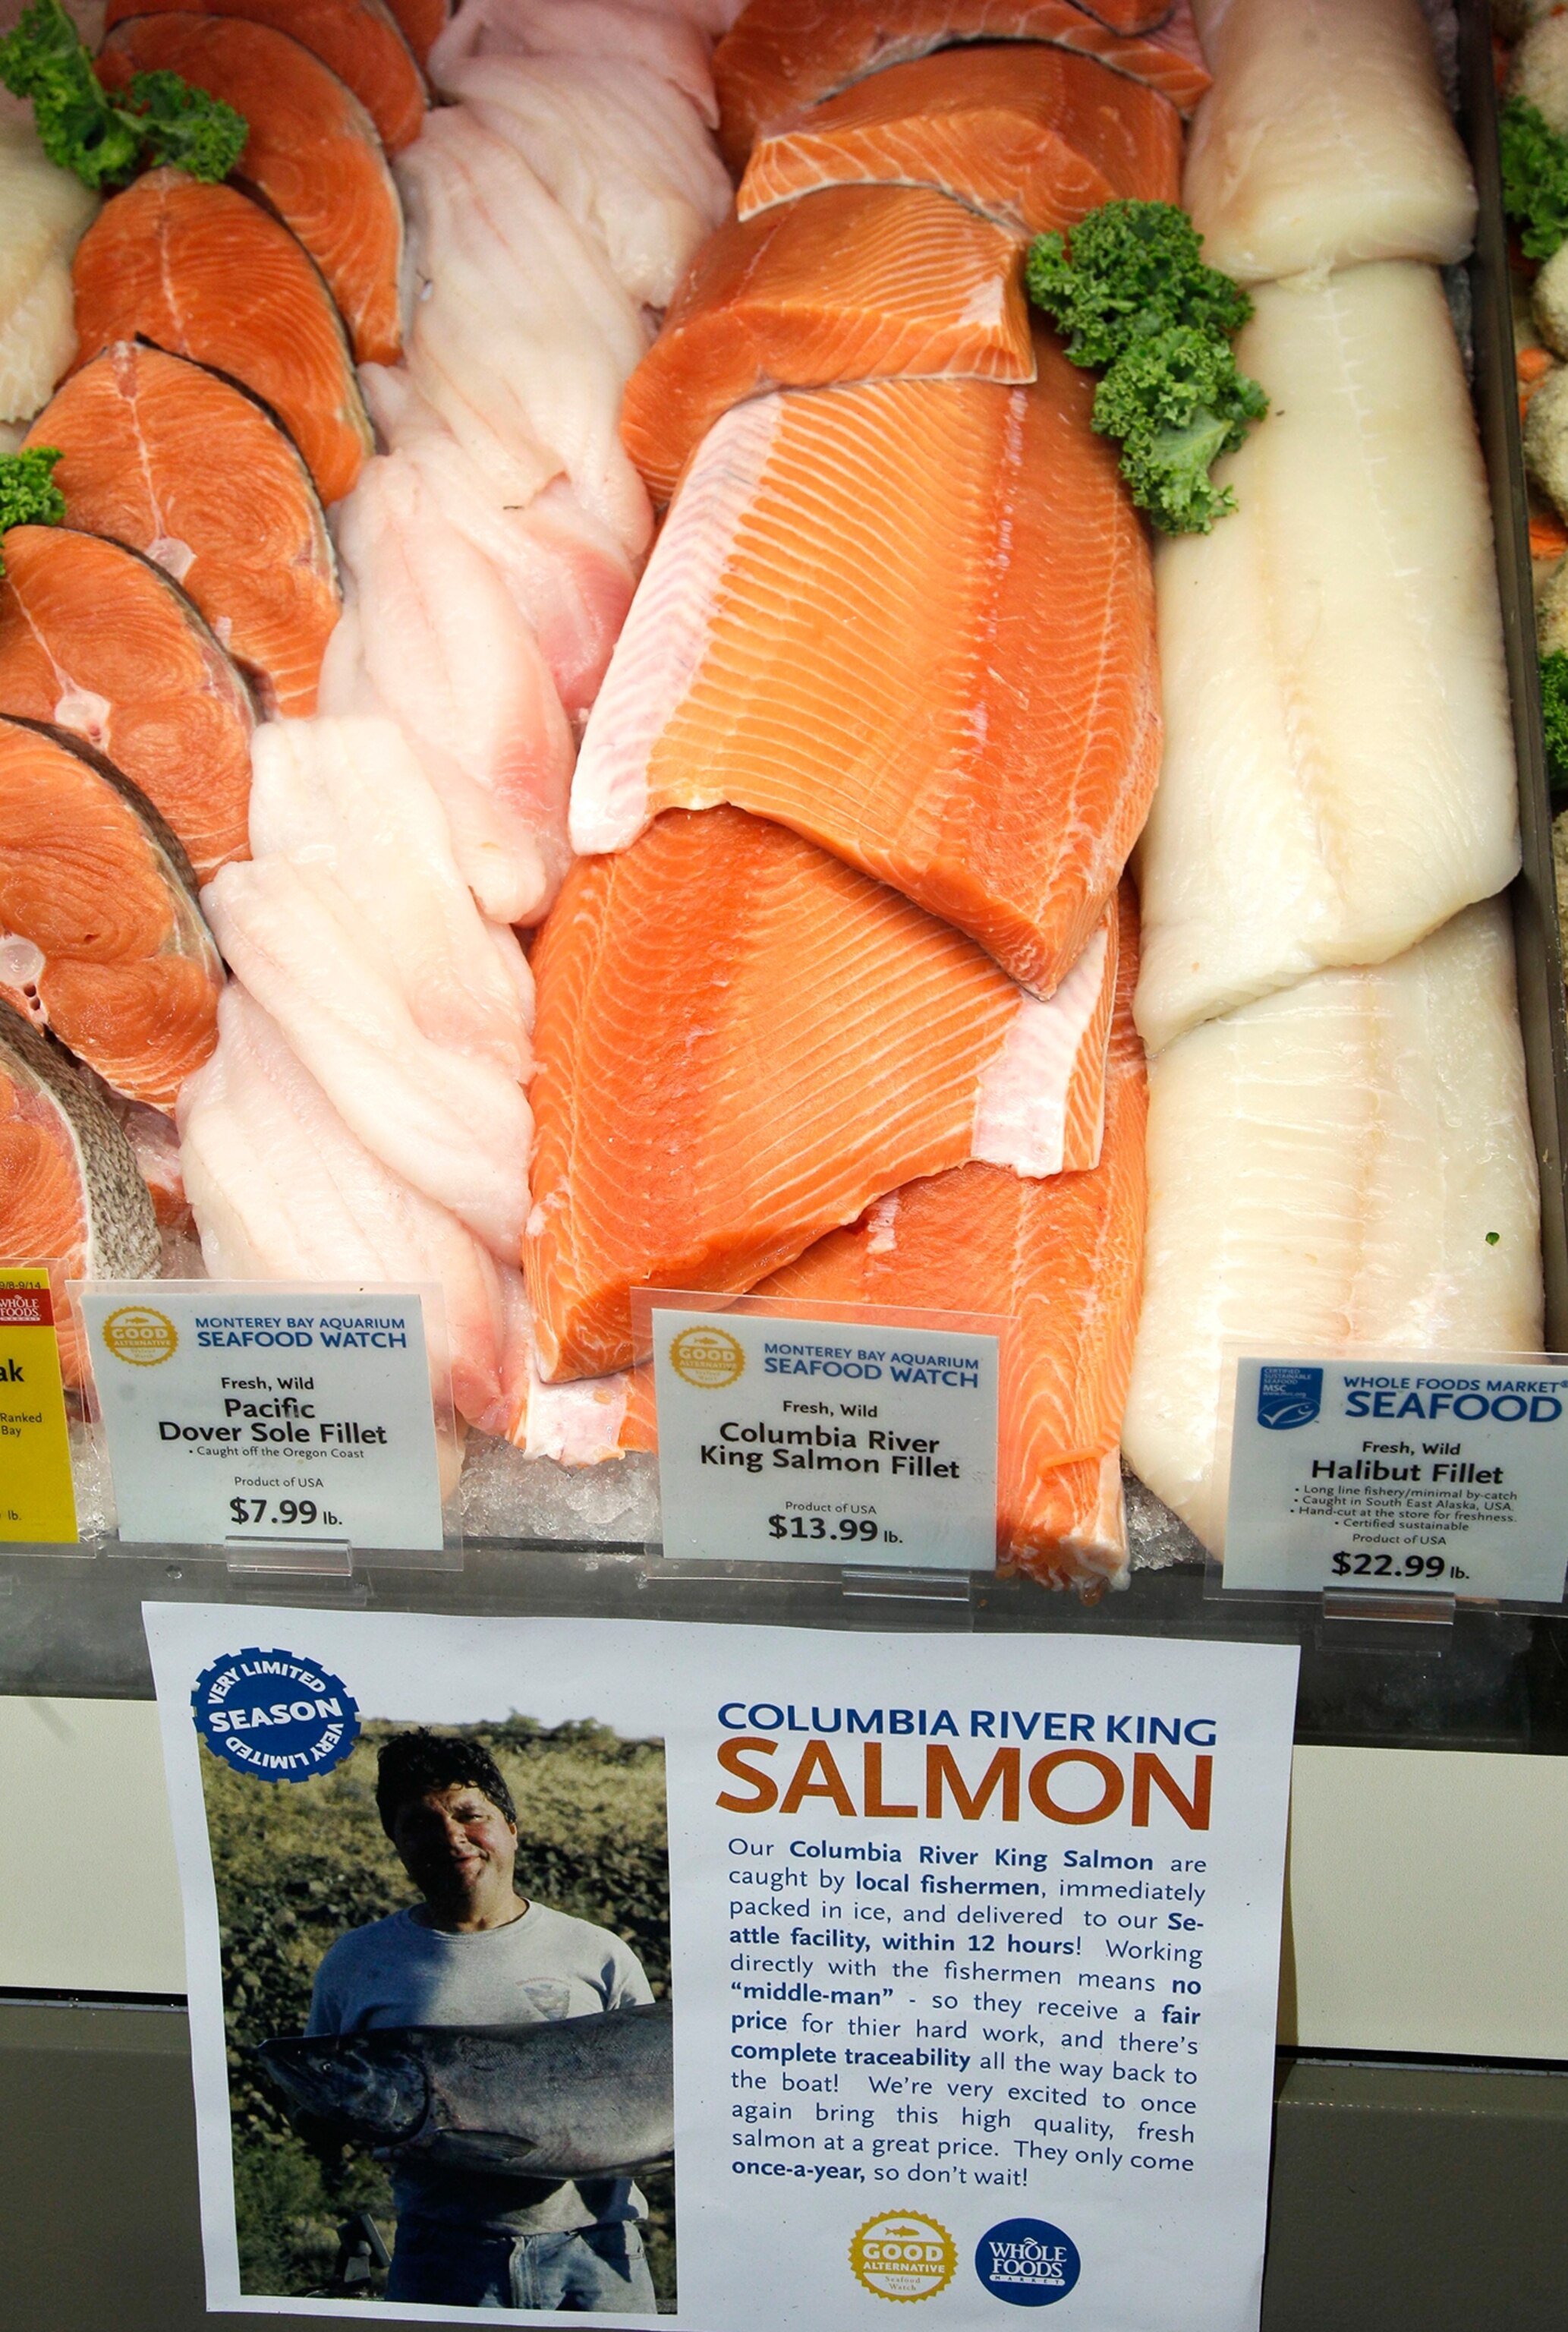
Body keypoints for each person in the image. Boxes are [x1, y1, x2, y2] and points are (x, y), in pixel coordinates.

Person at [306, 1729, 660, 2312]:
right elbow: (318, 2105)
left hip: (596, 2256)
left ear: (510, 1828)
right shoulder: (356, 1962)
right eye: (419, 1823)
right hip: (440, 2255)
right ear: (395, 1841)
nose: (451, 1837)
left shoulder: (597, 1952)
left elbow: (661, 2093)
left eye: (471, 1815)